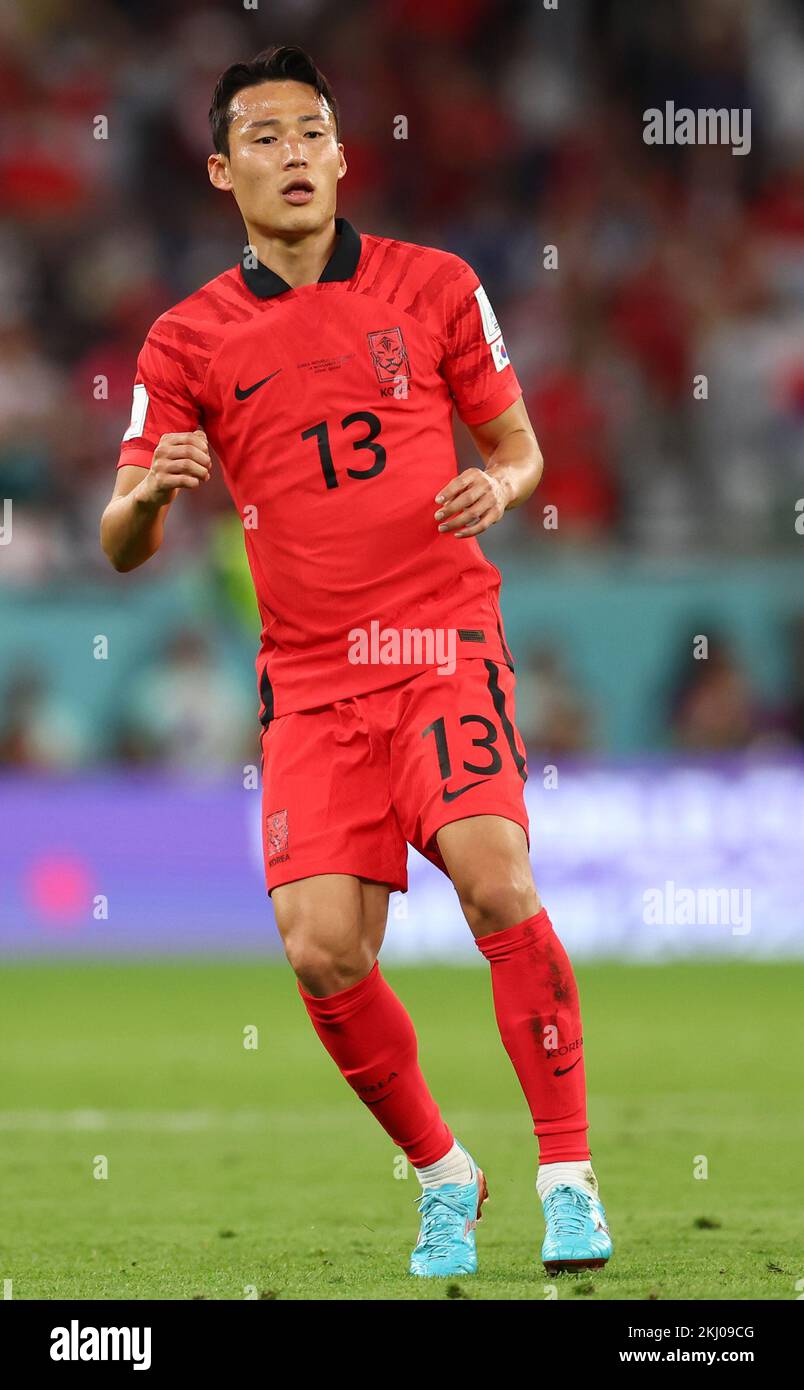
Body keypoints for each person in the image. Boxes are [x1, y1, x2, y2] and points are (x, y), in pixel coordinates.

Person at [100, 44, 612, 1279]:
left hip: (441, 641)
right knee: (326, 951)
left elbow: (521, 447)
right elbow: (119, 542)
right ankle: (446, 1175)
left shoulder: (434, 286)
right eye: (263, 139)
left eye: (310, 133)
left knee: (496, 880)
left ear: (342, 153)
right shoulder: (183, 341)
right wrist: (154, 500)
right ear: (224, 171)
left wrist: (500, 482)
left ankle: (568, 1179)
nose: (292, 156)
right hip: (313, 679)